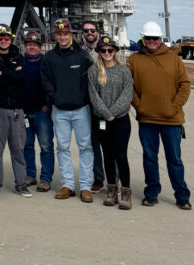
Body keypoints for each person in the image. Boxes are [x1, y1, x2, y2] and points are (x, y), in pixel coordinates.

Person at [128, 20, 192, 210]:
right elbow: (128, 87)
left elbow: (185, 85)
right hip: (147, 119)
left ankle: (182, 196)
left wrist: (174, 107)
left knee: (174, 159)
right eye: (147, 38)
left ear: (161, 38)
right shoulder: (134, 59)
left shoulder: (174, 59)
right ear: (143, 38)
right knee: (149, 158)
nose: (151, 41)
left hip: (171, 120)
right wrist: (139, 106)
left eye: (155, 38)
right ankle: (151, 193)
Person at [40, 18, 94, 202]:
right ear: (55, 35)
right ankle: (68, 185)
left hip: (81, 110)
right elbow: (45, 81)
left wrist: (82, 99)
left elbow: (90, 81)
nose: (62, 37)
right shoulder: (49, 58)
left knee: (85, 147)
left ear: (71, 34)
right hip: (60, 111)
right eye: (59, 34)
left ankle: (86, 186)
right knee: (62, 147)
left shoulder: (83, 56)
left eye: (66, 33)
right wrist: (55, 98)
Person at [88, 34, 133, 209]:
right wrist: (106, 114)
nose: (107, 53)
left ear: (115, 51)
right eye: (103, 50)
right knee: (107, 155)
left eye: (110, 50)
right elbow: (94, 95)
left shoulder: (124, 70)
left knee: (121, 155)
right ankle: (112, 191)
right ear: (99, 52)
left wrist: (113, 112)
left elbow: (127, 95)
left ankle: (126, 193)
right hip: (103, 120)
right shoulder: (94, 71)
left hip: (121, 120)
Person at [0, 23, 30, 197]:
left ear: (10, 39)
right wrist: (11, 74)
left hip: (17, 109)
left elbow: (21, 78)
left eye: (6, 38)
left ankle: (21, 185)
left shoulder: (19, 57)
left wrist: (2, 74)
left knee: (18, 149)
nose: (3, 41)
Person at [21, 31, 54, 192]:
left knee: (46, 146)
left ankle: (46, 178)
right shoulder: (20, 62)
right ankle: (30, 175)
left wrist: (48, 105)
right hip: (25, 112)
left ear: (40, 46)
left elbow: (53, 84)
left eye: (35, 44)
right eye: (28, 44)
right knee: (27, 146)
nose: (31, 46)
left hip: (42, 112)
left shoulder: (46, 62)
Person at [80, 18, 105, 193]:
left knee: (110, 144)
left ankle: (114, 178)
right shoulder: (79, 53)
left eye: (92, 31)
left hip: (105, 106)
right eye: (86, 31)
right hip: (87, 106)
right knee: (93, 144)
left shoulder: (105, 51)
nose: (90, 33)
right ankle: (98, 178)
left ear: (97, 33)